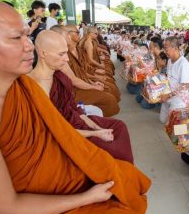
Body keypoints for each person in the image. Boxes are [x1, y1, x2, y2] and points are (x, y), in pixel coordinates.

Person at [0, 0, 150, 214]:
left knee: (123, 177)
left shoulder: (20, 85)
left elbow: (60, 132)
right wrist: (88, 197)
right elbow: (5, 210)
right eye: (15, 37)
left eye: (26, 35)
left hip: (61, 176)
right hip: (39, 202)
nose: (29, 45)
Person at [28, 30, 133, 163]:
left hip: (75, 121)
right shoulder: (35, 85)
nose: (66, 59)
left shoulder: (59, 75)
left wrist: (97, 127)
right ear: (43, 53)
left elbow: (73, 108)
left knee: (118, 126)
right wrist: (94, 133)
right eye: (61, 54)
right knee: (111, 149)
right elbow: (56, 130)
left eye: (66, 52)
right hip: (63, 135)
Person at [58, 25, 120, 117]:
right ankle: (96, 119)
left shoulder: (77, 49)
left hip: (85, 79)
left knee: (109, 85)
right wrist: (95, 80)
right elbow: (75, 79)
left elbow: (82, 69)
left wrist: (94, 78)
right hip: (73, 91)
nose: (80, 34)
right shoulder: (62, 56)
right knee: (109, 95)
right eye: (77, 32)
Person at [159, 36, 189, 123]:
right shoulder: (169, 60)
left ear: (175, 48)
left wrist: (168, 95)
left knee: (175, 127)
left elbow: (185, 86)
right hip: (168, 94)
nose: (165, 51)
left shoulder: (183, 64)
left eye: (166, 48)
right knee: (163, 120)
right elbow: (169, 77)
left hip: (178, 100)